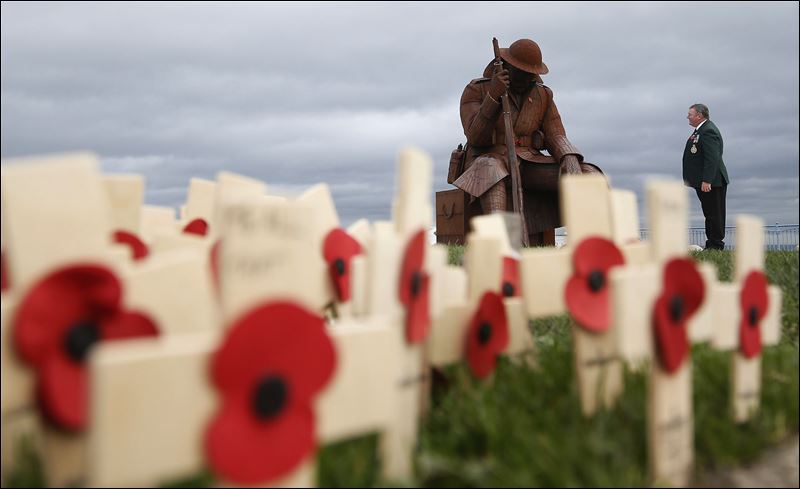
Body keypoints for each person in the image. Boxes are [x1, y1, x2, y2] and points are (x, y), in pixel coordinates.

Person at [453, 38, 602, 246]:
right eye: (522, 73)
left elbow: (555, 134)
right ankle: (503, 245)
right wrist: (493, 97)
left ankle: (585, 243)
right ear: (507, 67)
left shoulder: (543, 95)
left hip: (529, 163)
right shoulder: (476, 90)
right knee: (490, 169)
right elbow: (475, 136)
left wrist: (569, 157)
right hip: (487, 160)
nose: (528, 79)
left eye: (531, 74)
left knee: (589, 175)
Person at [683, 103, 730, 250]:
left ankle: (716, 245)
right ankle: (712, 244)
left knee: (715, 214)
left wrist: (707, 180)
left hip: (713, 181)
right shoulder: (700, 130)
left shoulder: (708, 131)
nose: (687, 117)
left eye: (690, 114)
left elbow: (712, 157)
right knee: (709, 214)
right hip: (705, 181)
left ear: (699, 116)